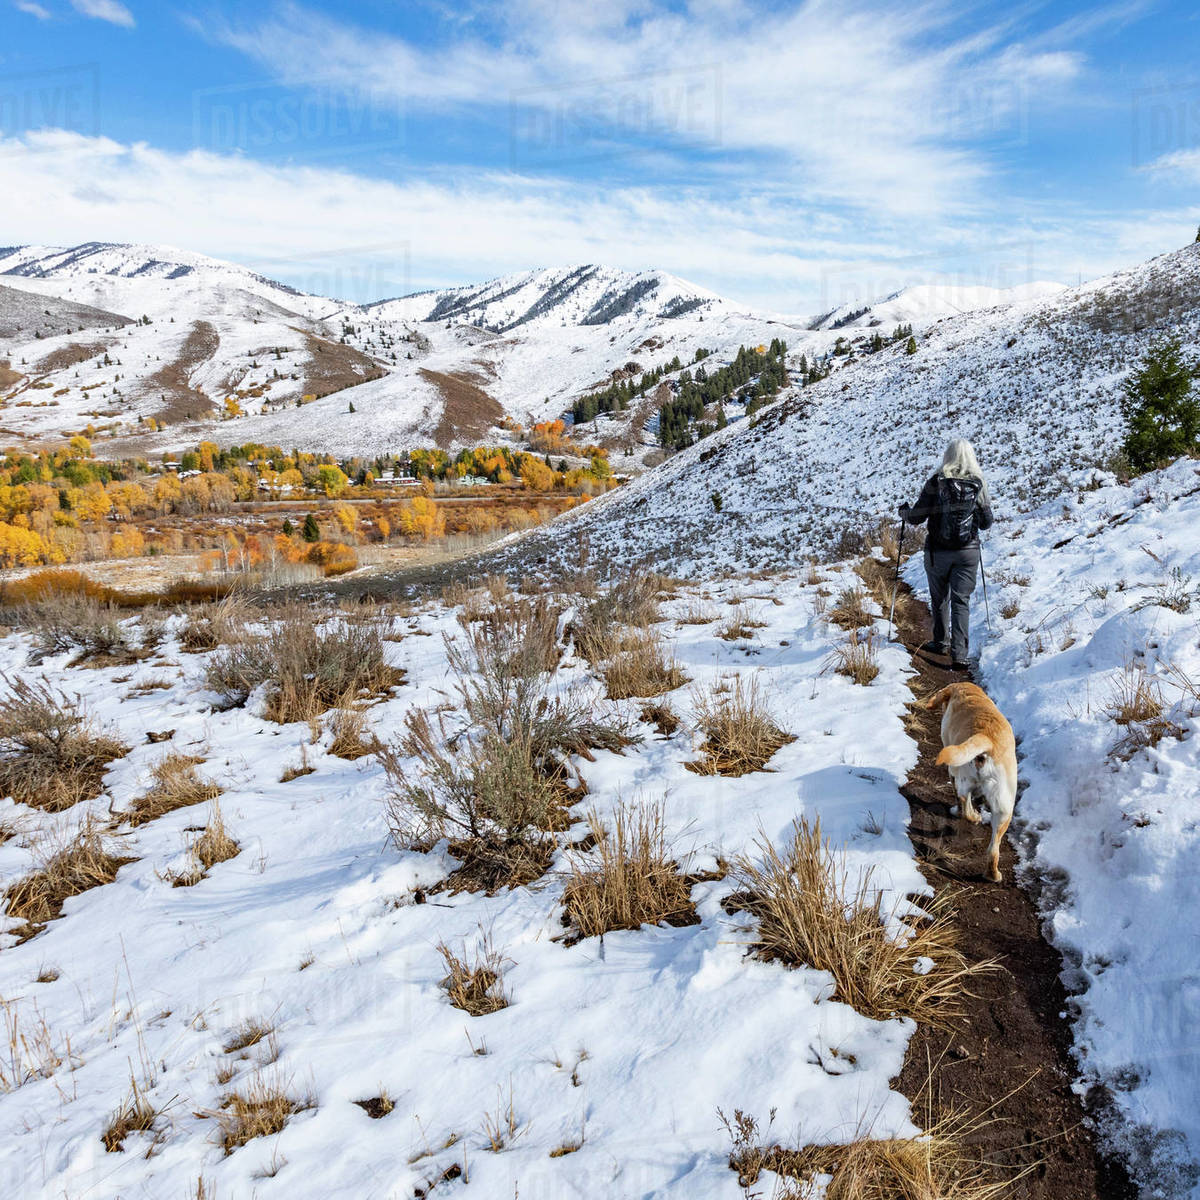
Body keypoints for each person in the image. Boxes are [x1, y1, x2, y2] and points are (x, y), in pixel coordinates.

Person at [899, 439, 993, 670]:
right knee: (962, 601)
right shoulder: (978, 483)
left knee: (940, 598)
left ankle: (941, 642)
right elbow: (986, 523)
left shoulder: (936, 482)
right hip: (967, 552)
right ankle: (960, 654)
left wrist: (904, 512)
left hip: (938, 552)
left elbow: (917, 517)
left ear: (947, 456)